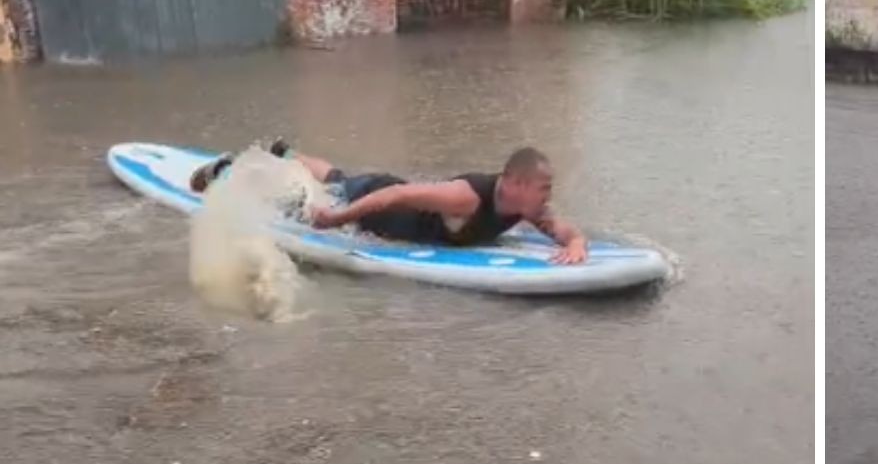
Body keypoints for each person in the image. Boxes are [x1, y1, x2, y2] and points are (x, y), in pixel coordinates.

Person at [190, 141, 588, 265]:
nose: (548, 196)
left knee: (335, 177)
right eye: (544, 188)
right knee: (300, 204)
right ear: (516, 183)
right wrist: (335, 220)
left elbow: (562, 229)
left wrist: (576, 245)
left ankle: (286, 152)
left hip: (385, 200)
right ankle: (235, 169)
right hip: (376, 205)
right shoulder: (465, 197)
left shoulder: (525, 205)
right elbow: (398, 194)